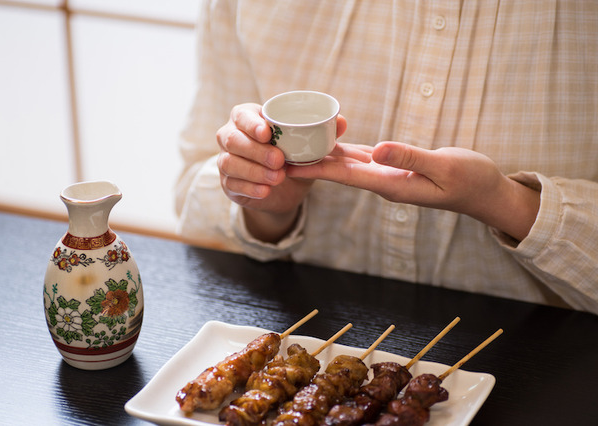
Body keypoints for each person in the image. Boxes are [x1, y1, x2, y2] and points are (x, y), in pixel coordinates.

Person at [175, 0, 598, 315]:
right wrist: (268, 207)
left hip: (545, 354)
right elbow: (192, 200)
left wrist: (503, 201)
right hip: (305, 325)